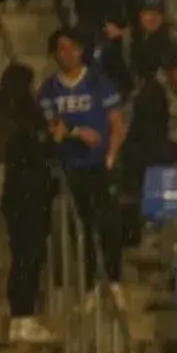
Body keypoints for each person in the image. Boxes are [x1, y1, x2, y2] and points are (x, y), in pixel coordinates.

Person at [37, 29, 127, 301]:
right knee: (82, 227)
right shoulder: (50, 88)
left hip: (100, 164)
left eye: (73, 48)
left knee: (109, 223)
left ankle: (114, 282)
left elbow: (117, 123)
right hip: (71, 166)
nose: (69, 54)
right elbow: (55, 128)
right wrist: (77, 131)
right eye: (62, 49)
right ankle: (88, 286)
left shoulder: (98, 80)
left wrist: (111, 155)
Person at [0, 62, 57, 346]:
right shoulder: (25, 118)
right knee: (28, 256)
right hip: (29, 194)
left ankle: (21, 317)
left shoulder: (5, 120)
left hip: (17, 194)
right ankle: (23, 316)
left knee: (24, 256)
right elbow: (40, 149)